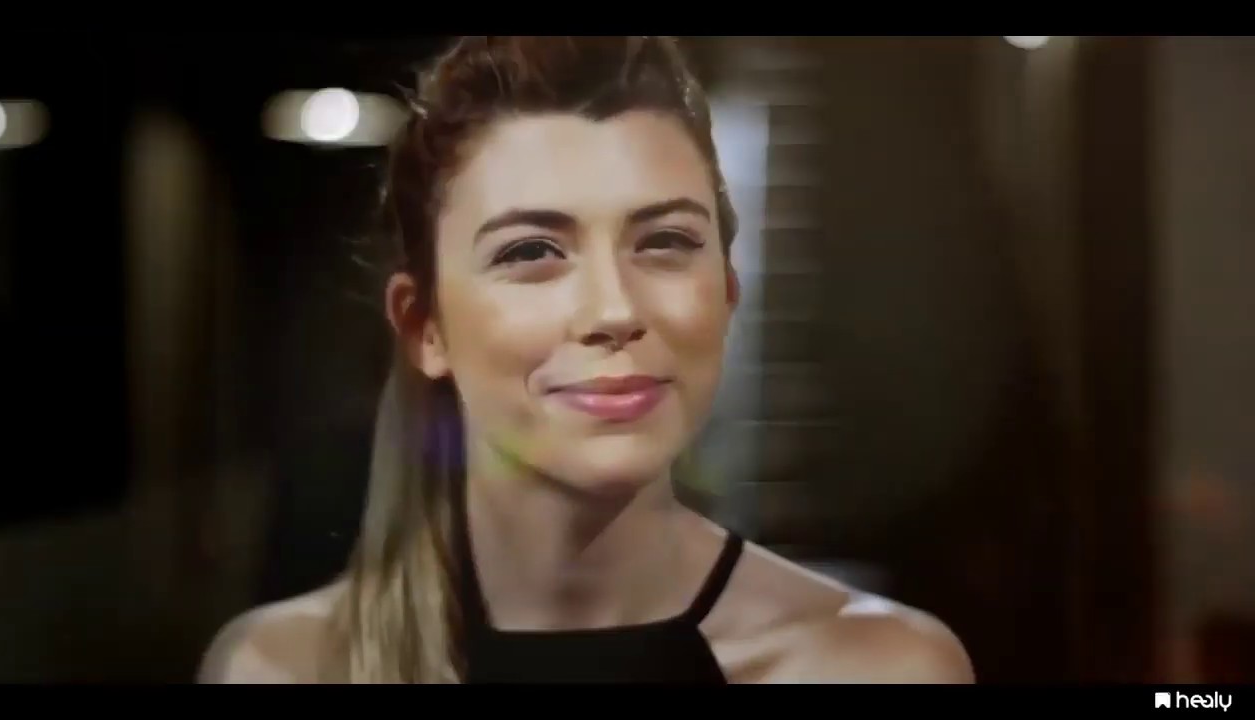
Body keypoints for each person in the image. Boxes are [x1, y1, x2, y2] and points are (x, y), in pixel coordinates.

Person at [197, 35, 974, 684]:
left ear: (727, 293)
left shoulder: (878, 669)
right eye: (532, 251)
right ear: (423, 326)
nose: (614, 310)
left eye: (665, 242)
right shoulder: (280, 670)